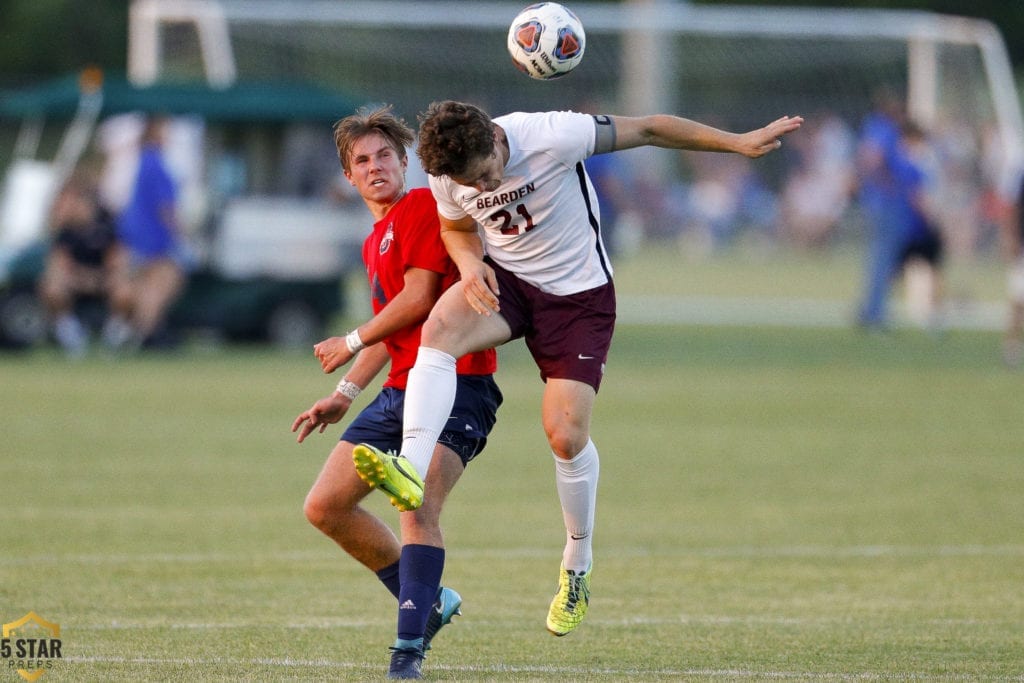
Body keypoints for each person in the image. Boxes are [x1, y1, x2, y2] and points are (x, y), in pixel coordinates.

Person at [329, 100, 802, 638]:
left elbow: (649, 128)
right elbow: (458, 229)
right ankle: (409, 467)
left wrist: (738, 141)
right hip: (508, 282)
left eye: (486, 175)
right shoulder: (448, 175)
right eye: (471, 185)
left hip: (577, 298)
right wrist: (469, 265)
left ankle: (577, 565)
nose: (481, 190)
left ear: (494, 139)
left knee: (565, 435)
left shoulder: (552, 134)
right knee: (439, 330)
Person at [295, 105, 501, 680]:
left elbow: (419, 301)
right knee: (325, 507)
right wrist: (344, 389)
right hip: (399, 390)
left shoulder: (418, 209)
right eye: (362, 160)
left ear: (405, 160)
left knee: (415, 505)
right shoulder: (373, 240)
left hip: (459, 385)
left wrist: (349, 338)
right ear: (349, 176)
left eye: (384, 154)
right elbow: (394, 332)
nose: (375, 165)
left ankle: (407, 652)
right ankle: (428, 601)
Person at [103, 116, 188, 351]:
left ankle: (128, 330)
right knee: (159, 287)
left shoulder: (141, 163)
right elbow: (166, 209)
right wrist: (182, 236)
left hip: (134, 236)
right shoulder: (156, 165)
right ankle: (142, 334)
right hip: (153, 240)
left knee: (139, 287)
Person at [37, 175, 124, 357]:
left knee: (125, 291)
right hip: (77, 280)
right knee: (51, 288)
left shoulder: (107, 228)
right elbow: (60, 264)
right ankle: (71, 336)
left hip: (102, 280)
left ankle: (113, 339)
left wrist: (99, 279)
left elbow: (116, 263)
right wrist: (81, 279)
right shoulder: (67, 232)